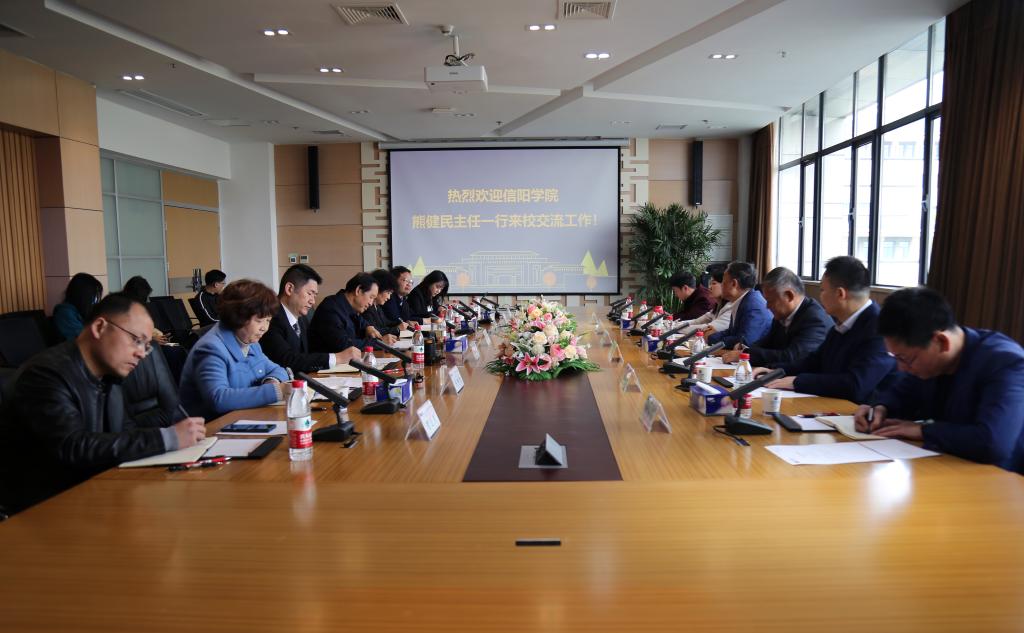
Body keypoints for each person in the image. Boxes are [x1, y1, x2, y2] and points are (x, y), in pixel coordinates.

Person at [0, 293, 206, 515]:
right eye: (136, 340)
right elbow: (73, 446)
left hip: (95, 493)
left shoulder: (109, 376)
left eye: (147, 346)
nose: (141, 354)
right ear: (100, 327)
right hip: (44, 509)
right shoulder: (45, 375)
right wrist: (167, 438)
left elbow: (124, 433)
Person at [854, 287, 1024, 473]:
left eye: (905, 359)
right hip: (946, 466)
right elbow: (901, 393)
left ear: (941, 341)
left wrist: (922, 431)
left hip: (999, 477)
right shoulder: (928, 361)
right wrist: (879, 408)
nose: (901, 368)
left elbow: (993, 442)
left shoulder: (1005, 363)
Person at [759, 256, 896, 402]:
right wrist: (777, 371)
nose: (820, 296)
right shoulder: (842, 324)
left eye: (823, 290)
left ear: (840, 294)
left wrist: (797, 381)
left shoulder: (879, 328)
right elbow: (814, 362)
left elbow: (856, 385)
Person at [178, 280, 289, 421]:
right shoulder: (210, 348)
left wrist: (271, 381)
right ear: (238, 316)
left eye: (268, 320)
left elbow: (278, 370)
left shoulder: (251, 342)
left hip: (243, 418)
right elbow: (218, 399)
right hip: (211, 427)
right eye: (259, 321)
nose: (264, 328)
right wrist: (276, 391)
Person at [720, 267, 831, 367]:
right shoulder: (782, 315)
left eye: (771, 301)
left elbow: (792, 357)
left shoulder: (814, 319)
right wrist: (745, 348)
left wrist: (746, 354)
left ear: (789, 296)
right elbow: (767, 342)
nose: (767, 306)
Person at [261, 264, 361, 374]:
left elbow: (308, 354)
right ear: (289, 289)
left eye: (314, 295)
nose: (312, 301)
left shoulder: (301, 317)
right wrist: (337, 358)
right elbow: (288, 359)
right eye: (309, 294)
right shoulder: (269, 318)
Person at [308, 273, 386, 353]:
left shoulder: (349, 307)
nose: (371, 303)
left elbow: (361, 322)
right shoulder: (331, 309)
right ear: (358, 290)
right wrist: (378, 343)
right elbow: (344, 345)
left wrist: (368, 327)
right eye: (371, 297)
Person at [706, 261, 772, 349]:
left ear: (734, 284)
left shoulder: (753, 305)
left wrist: (711, 339)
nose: (721, 286)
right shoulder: (742, 300)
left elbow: (745, 341)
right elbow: (731, 332)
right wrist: (710, 337)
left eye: (724, 283)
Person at [675, 264, 735, 336]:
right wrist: (676, 325)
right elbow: (696, 321)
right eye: (709, 283)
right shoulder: (719, 305)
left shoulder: (731, 307)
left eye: (713, 283)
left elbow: (709, 328)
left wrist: (676, 328)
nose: (709, 287)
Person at [52, 272, 103, 341]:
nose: (95, 300)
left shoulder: (80, 311)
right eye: (93, 296)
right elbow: (84, 339)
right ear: (84, 295)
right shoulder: (65, 313)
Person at [364, 269, 403, 341]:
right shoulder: (366, 307)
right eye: (388, 293)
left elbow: (386, 323)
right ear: (378, 289)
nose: (389, 297)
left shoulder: (377, 306)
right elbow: (376, 331)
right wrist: (397, 329)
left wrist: (401, 323)